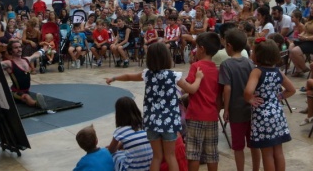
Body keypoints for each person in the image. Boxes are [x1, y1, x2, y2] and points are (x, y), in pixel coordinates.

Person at [105, 42, 205, 171]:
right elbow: (192, 89)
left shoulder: (147, 75)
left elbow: (128, 76)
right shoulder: (174, 76)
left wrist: (113, 78)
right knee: (170, 156)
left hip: (151, 122)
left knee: (157, 157)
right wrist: (198, 78)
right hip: (169, 122)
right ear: (167, 57)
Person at [244, 38, 295, 171]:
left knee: (267, 154)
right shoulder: (278, 71)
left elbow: (249, 91)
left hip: (262, 116)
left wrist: (250, 99)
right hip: (277, 113)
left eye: (253, 51)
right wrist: (278, 97)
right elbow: (292, 89)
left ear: (258, 55)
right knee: (278, 151)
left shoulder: (257, 71)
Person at [219, 29, 260, 171]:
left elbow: (227, 88)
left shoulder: (226, 65)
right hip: (251, 109)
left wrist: (226, 108)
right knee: (254, 144)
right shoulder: (249, 63)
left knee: (238, 147)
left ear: (229, 46)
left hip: (236, 111)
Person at [184, 32, 221, 171]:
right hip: (211, 115)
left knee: (193, 153)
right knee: (212, 152)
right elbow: (219, 95)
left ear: (202, 49)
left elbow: (188, 87)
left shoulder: (196, 67)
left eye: (196, 47)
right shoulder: (216, 70)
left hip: (195, 114)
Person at [105, 97, 152, 171]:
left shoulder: (120, 131)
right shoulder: (145, 124)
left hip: (133, 168)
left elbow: (111, 150)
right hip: (150, 166)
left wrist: (114, 147)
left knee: (114, 155)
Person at [1, 40, 47, 109]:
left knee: (26, 95)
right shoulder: (9, 63)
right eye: (16, 48)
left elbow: (36, 54)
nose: (19, 49)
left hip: (26, 90)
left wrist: (44, 48)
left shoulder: (26, 60)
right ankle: (36, 104)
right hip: (16, 92)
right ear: (11, 51)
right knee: (26, 97)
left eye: (20, 47)